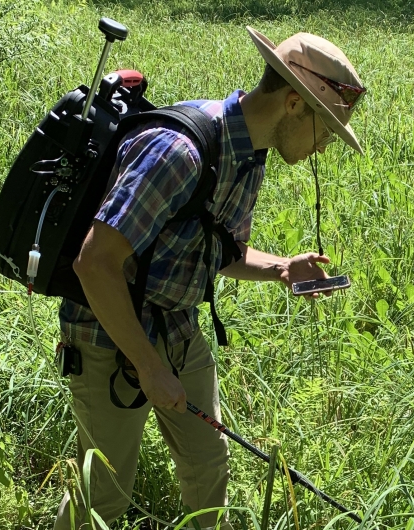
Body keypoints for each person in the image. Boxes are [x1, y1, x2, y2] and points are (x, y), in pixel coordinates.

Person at [53, 26, 367, 530]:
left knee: (208, 464)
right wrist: (149, 366)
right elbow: (94, 263)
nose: (324, 146)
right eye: (326, 130)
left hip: (179, 326)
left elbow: (216, 249)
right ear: (293, 104)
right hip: (108, 334)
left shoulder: (249, 156)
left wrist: (281, 268)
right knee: (104, 495)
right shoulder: (179, 153)